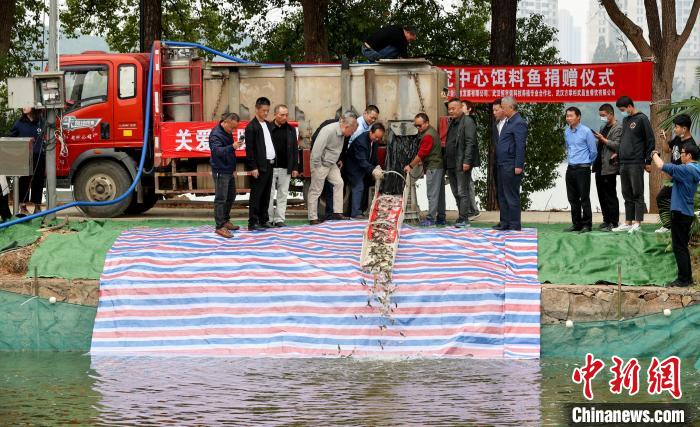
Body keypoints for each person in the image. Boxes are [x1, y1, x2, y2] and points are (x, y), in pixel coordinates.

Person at [650, 143, 700, 287]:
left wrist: (653, 154)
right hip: (686, 212)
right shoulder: (695, 169)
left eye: (683, 152)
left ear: (689, 155)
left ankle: (684, 279)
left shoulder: (686, 170)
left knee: (679, 247)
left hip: (679, 213)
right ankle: (687, 278)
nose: (681, 155)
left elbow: (661, 166)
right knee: (682, 247)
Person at [612, 96, 654, 233]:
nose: (622, 112)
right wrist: (618, 153)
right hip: (623, 162)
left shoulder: (642, 119)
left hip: (636, 162)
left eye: (623, 109)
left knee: (637, 192)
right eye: (620, 110)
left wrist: (648, 161)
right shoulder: (625, 120)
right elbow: (625, 140)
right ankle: (628, 221)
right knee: (626, 193)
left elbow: (650, 140)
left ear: (630, 106)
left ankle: (637, 222)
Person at [308, 112, 358, 224]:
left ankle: (337, 212)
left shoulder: (343, 132)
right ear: (346, 126)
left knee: (339, 183)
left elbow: (336, 149)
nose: (352, 134)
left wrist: (338, 159)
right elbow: (316, 150)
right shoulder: (328, 130)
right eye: (352, 131)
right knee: (316, 190)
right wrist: (317, 168)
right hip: (320, 163)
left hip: (331, 163)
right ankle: (313, 218)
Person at [404, 113, 446, 226]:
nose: (418, 128)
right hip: (438, 166)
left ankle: (431, 218)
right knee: (440, 194)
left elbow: (421, 154)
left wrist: (410, 166)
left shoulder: (427, 135)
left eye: (420, 125)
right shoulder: (431, 131)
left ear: (427, 123)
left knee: (432, 194)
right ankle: (441, 217)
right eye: (416, 125)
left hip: (433, 167)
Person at [656, 114, 695, 233]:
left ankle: (671, 226)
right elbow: (667, 150)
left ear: (684, 129)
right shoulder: (678, 138)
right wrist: (663, 139)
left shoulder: (690, 145)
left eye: (676, 127)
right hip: (675, 178)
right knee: (664, 198)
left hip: (682, 179)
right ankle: (668, 225)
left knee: (663, 197)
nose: (674, 129)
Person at [494, 96, 527, 231]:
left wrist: (519, 165)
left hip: (511, 164)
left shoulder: (519, 122)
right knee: (502, 194)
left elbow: (520, 146)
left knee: (511, 195)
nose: (501, 109)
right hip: (502, 163)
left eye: (503, 107)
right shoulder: (508, 122)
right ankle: (504, 222)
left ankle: (514, 224)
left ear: (511, 107)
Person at [445, 98, 479, 228]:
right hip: (451, 163)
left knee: (462, 191)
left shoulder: (468, 121)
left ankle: (464, 218)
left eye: (453, 109)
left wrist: (467, 161)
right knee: (455, 191)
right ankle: (461, 216)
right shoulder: (452, 122)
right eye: (449, 109)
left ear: (460, 108)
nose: (451, 111)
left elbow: (471, 143)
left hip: (461, 163)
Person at [563, 106, 597, 233]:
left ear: (578, 117)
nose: (569, 118)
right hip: (570, 168)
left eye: (571, 116)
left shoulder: (586, 131)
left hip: (583, 168)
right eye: (567, 116)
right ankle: (576, 223)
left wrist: (587, 163)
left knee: (584, 198)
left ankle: (587, 225)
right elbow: (568, 148)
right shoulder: (566, 132)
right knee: (572, 198)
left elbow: (593, 151)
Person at [245, 97, 276, 232]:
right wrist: (253, 167)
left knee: (266, 194)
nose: (265, 113)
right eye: (263, 110)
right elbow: (249, 150)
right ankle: (253, 222)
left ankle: (264, 220)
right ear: (257, 109)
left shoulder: (268, 125)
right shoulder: (251, 127)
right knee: (256, 195)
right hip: (258, 166)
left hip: (270, 164)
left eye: (267, 111)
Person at [209, 113, 242, 238]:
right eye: (232, 128)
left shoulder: (226, 131)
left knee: (231, 196)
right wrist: (232, 146)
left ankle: (225, 220)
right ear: (226, 122)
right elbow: (217, 152)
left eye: (235, 128)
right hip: (220, 170)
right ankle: (219, 226)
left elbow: (228, 151)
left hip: (228, 169)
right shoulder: (215, 134)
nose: (233, 130)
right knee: (221, 198)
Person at [267, 104, 300, 228]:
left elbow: (295, 150)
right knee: (269, 195)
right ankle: (269, 219)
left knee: (283, 194)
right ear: (275, 114)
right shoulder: (268, 128)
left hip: (286, 167)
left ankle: (280, 219)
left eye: (286, 115)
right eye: (282, 115)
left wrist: (295, 167)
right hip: (270, 167)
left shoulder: (291, 129)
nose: (284, 117)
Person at [9, 107, 44, 217]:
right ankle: (22, 206)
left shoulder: (41, 121)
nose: (24, 107)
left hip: (39, 155)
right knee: (24, 180)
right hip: (24, 156)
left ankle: (37, 207)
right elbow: (11, 139)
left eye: (27, 104)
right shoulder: (19, 123)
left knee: (38, 180)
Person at [592, 103, 622, 232]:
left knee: (610, 195)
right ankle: (606, 219)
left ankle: (614, 222)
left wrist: (603, 139)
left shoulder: (618, 127)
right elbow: (600, 144)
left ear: (611, 114)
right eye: (600, 116)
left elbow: (617, 145)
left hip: (609, 167)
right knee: (601, 194)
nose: (602, 118)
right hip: (599, 165)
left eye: (603, 115)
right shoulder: (603, 126)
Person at [346, 123, 385, 218]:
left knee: (368, 185)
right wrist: (373, 170)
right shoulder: (361, 142)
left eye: (379, 138)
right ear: (370, 132)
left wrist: (377, 166)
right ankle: (355, 214)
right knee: (359, 186)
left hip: (364, 167)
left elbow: (374, 156)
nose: (377, 140)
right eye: (376, 137)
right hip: (354, 167)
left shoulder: (374, 140)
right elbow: (362, 161)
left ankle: (362, 210)